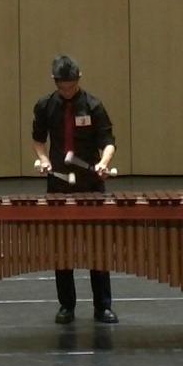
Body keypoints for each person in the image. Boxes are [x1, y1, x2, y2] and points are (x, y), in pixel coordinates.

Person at [30, 54, 118, 324]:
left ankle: (102, 306)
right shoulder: (45, 106)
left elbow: (108, 141)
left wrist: (103, 163)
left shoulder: (93, 105)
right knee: (62, 246)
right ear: (54, 81)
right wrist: (43, 160)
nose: (67, 90)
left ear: (79, 79)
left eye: (71, 85)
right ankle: (66, 305)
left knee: (98, 246)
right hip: (59, 184)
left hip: (91, 184)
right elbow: (38, 140)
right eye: (62, 86)